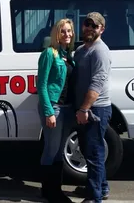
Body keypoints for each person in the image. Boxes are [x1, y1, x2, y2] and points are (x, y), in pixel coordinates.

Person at [73, 12, 112, 203]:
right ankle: (101, 187)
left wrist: (84, 109)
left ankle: (94, 197)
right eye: (87, 24)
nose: (89, 28)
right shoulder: (81, 50)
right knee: (89, 151)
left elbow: (97, 82)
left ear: (101, 29)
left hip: (95, 109)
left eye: (94, 26)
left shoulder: (100, 51)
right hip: (85, 108)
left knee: (95, 154)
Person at [37, 18, 76, 203]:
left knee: (60, 150)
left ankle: (54, 190)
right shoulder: (49, 53)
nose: (67, 34)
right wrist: (48, 111)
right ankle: (49, 191)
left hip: (67, 108)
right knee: (51, 150)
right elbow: (42, 85)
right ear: (56, 34)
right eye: (63, 31)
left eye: (69, 31)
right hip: (55, 107)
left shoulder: (67, 55)